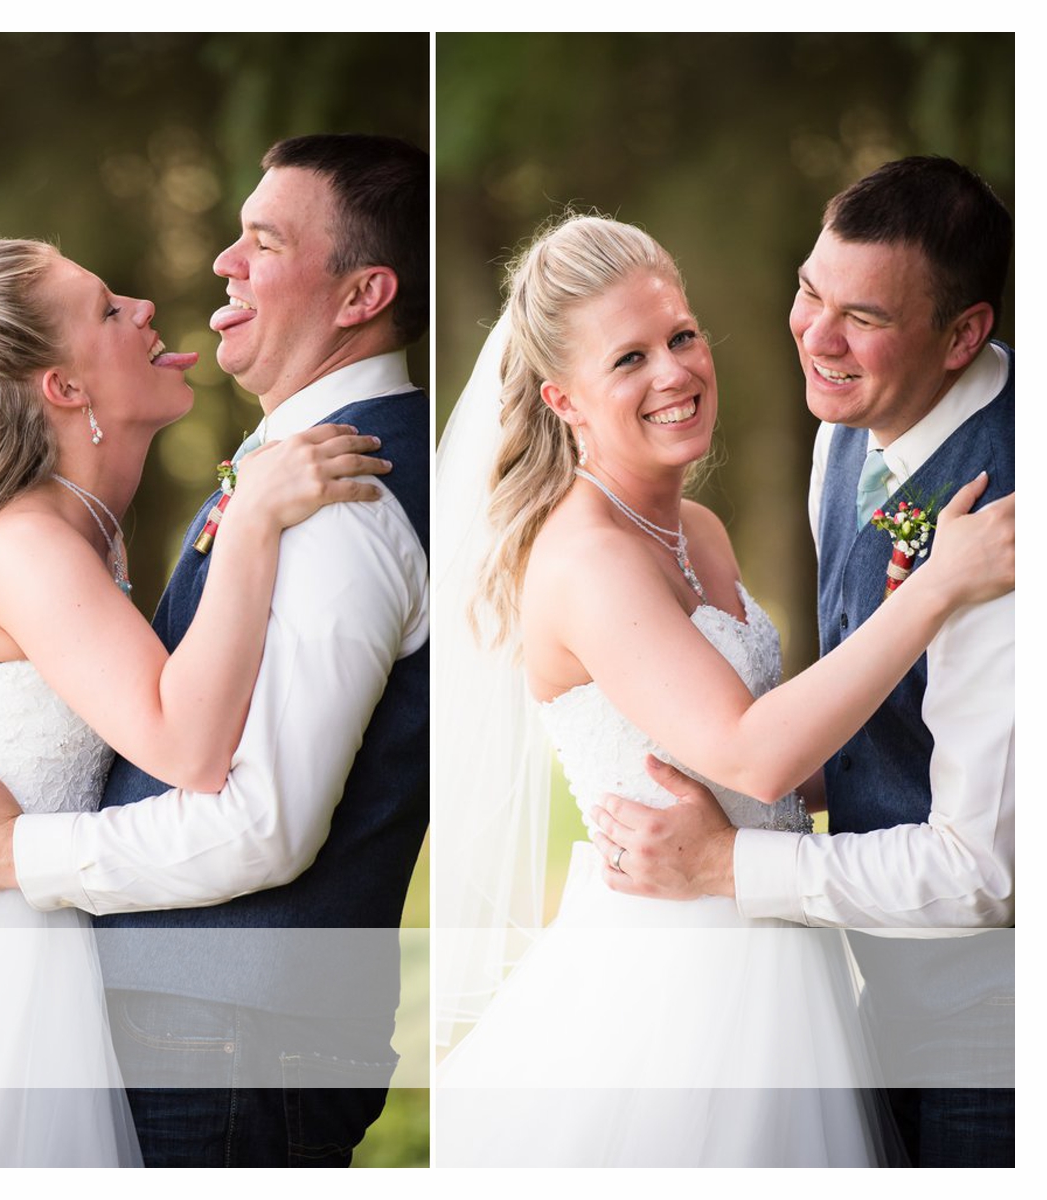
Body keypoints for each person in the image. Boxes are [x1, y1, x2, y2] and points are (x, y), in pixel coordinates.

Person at [0, 135, 433, 1167]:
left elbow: (255, 817)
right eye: (106, 310)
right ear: (60, 387)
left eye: (260, 241)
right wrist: (257, 520)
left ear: (361, 294)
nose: (200, 275)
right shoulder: (52, 539)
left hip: (218, 1029)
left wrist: (17, 854)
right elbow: (185, 740)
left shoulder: (340, 492)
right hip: (43, 993)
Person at [428, 212, 1014, 1166]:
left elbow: (784, 771)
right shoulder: (586, 559)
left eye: (682, 335)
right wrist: (940, 583)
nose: (675, 373)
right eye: (629, 361)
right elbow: (753, 750)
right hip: (678, 982)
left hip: (786, 954)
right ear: (563, 400)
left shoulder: (696, 528)